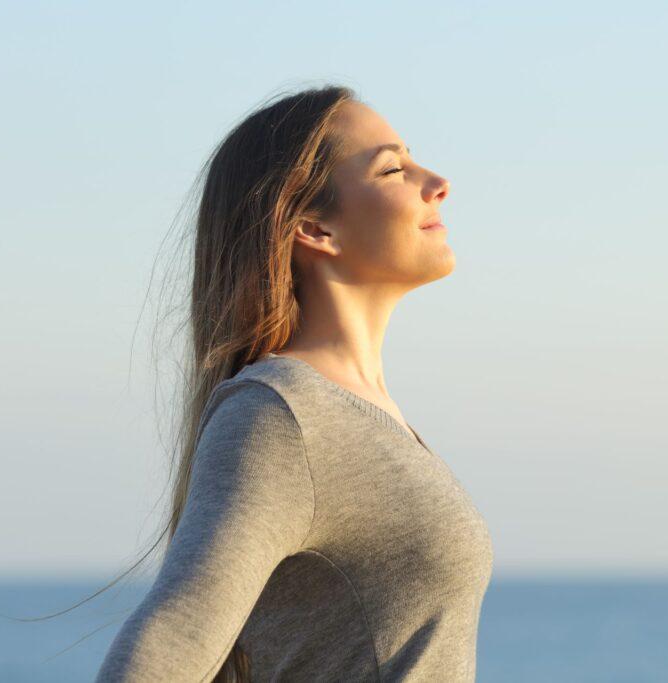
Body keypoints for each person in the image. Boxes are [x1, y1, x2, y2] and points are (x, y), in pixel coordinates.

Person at [94, 85, 494, 681]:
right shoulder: (281, 414)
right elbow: (165, 649)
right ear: (313, 229)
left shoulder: (356, 411)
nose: (437, 181)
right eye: (393, 169)